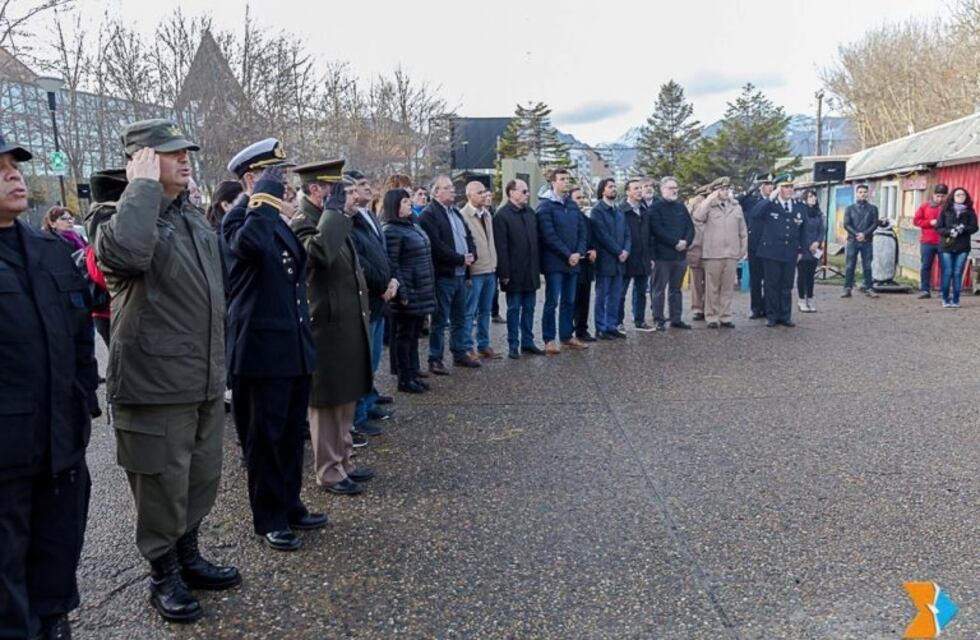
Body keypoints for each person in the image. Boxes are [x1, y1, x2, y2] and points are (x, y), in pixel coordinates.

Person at [94, 119, 238, 623]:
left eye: (185, 151)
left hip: (201, 378)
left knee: (199, 477)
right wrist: (141, 188)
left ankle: (188, 556)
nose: (184, 158)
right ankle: (163, 574)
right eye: (170, 152)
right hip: (154, 386)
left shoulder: (190, 217)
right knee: (160, 485)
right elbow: (129, 253)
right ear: (141, 160)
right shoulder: (114, 215)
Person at [0, 135, 98, 640]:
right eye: (0, 169)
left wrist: (83, 401)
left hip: (59, 437)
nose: (13, 175)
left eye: (14, 166)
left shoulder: (49, 249)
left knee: (58, 541)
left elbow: (81, 337)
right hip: (7, 448)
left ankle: (55, 618)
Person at [220, 140, 325, 553]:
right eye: (274, 176)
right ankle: (270, 517)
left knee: (289, 435)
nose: (284, 184)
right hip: (260, 353)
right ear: (251, 179)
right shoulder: (239, 218)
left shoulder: (275, 219)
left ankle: (290, 503)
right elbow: (249, 246)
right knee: (264, 440)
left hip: (290, 347)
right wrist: (260, 197)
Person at [290, 160, 376, 496]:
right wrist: (334, 213)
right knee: (326, 402)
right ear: (315, 189)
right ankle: (329, 471)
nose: (344, 196)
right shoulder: (303, 222)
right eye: (335, 189)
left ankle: (344, 461)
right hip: (324, 327)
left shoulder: (332, 218)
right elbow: (319, 254)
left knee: (346, 394)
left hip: (344, 323)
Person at [347, 170, 397, 439]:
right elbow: (359, 263)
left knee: (374, 358)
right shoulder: (349, 222)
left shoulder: (369, 216)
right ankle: (358, 414)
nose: (367, 188)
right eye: (360, 185)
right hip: (368, 297)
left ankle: (368, 402)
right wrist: (382, 286)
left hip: (380, 298)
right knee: (362, 361)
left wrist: (393, 280)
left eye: (367, 183)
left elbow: (382, 254)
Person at [419, 175, 480, 373]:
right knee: (440, 320)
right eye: (447, 187)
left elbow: (468, 236)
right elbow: (436, 246)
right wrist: (459, 258)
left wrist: (472, 254)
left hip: (461, 274)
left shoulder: (455, 212)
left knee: (460, 317)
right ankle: (435, 358)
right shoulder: (429, 214)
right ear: (436, 192)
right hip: (444, 275)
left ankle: (459, 352)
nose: (453, 190)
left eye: (452, 187)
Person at [382, 188, 436, 391]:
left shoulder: (411, 225)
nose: (410, 204)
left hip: (420, 288)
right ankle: (404, 378)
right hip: (409, 291)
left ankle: (413, 373)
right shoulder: (391, 230)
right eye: (405, 202)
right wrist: (402, 293)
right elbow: (393, 264)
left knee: (413, 336)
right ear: (395, 205)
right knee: (403, 336)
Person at [537, 168, 588, 353]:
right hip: (555, 262)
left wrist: (579, 252)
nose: (566, 182)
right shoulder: (545, 206)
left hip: (574, 261)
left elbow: (582, 230)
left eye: (567, 179)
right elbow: (549, 235)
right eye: (562, 179)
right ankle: (549, 339)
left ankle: (567, 336)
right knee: (552, 301)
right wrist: (568, 254)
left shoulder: (572, 205)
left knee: (569, 300)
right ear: (553, 182)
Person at [493, 179, 544, 359]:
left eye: (527, 191)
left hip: (530, 270)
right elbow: (501, 247)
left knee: (529, 308)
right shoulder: (502, 216)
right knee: (514, 309)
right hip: (513, 272)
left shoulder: (530, 213)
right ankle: (513, 344)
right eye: (523, 191)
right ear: (511, 192)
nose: (527, 194)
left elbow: (537, 241)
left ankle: (528, 342)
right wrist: (504, 273)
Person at [694, 177, 747, 328]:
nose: (725, 192)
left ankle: (725, 316)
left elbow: (742, 231)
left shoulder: (736, 207)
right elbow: (697, 217)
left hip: (731, 253)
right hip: (713, 253)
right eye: (721, 189)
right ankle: (711, 316)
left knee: (727, 287)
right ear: (714, 191)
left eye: (727, 189)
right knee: (712, 287)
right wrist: (709, 200)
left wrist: (742, 249)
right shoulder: (708, 206)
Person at [755, 176, 807, 327]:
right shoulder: (770, 205)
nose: (789, 190)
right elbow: (755, 214)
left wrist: (801, 250)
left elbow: (803, 230)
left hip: (790, 251)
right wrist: (769, 199)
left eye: (791, 187)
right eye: (785, 186)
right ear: (778, 189)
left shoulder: (798, 206)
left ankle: (785, 315)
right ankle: (772, 315)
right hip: (771, 251)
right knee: (771, 285)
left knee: (786, 285)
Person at [647, 177, 695, 331]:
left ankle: (676, 318)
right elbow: (657, 230)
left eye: (676, 188)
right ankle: (658, 319)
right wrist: (675, 242)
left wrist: (686, 242)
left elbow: (690, 227)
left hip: (680, 256)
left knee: (676, 289)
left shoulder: (681, 207)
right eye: (671, 188)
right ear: (662, 189)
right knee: (659, 290)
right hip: (662, 256)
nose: (674, 191)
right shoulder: (655, 208)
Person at [460, 181, 501, 359]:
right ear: (469, 195)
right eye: (479, 192)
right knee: (470, 311)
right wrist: (468, 271)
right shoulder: (463, 215)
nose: (484, 195)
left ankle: (484, 344)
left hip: (490, 269)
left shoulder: (487, 214)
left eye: (484, 191)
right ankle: (467, 346)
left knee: (486, 310)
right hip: (475, 271)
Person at [590, 178, 630, 339]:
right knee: (602, 295)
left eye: (614, 186)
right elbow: (602, 235)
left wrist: (626, 250)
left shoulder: (618, 210)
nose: (614, 189)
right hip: (605, 259)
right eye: (610, 187)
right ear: (602, 190)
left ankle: (611, 325)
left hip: (620, 261)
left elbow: (627, 232)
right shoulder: (597, 211)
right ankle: (601, 327)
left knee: (615, 295)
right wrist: (618, 251)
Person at [618, 179, 652, 331]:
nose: (639, 191)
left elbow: (650, 235)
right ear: (628, 192)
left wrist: (651, 256)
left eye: (640, 188)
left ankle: (640, 320)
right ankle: (618, 322)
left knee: (641, 292)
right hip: (626, 257)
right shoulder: (621, 210)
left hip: (643, 257)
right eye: (636, 188)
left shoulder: (645, 210)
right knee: (621, 292)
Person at [935, 187, 978, 308]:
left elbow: (974, 227)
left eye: (962, 195)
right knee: (947, 272)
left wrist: (963, 229)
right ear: (953, 197)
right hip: (947, 246)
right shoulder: (946, 210)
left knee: (957, 273)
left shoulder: (970, 211)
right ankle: (945, 299)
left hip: (962, 246)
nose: (960, 197)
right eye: (958, 195)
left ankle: (956, 300)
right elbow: (938, 227)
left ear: (966, 197)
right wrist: (949, 232)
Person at [740, 175, 773, 318]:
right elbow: (740, 201)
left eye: (771, 184)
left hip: (771, 246)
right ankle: (756, 308)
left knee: (770, 279)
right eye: (766, 184)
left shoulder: (775, 201)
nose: (770, 187)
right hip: (755, 245)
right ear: (761, 186)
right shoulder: (752, 201)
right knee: (756, 279)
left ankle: (767, 307)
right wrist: (752, 189)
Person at [841, 184, 880, 298]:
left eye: (865, 192)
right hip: (852, 240)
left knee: (867, 266)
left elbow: (874, 224)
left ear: (868, 194)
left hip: (867, 241)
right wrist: (857, 234)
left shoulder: (873, 208)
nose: (863, 194)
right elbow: (846, 224)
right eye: (860, 192)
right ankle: (847, 288)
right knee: (850, 265)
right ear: (857, 194)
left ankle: (869, 288)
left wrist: (865, 234)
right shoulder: (849, 208)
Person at [571, 186, 598, 342]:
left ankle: (582, 330)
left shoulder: (587, 220)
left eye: (582, 197)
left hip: (587, 265)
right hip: (574, 263)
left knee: (584, 299)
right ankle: (569, 331)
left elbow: (592, 238)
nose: (581, 200)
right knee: (572, 300)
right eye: (577, 198)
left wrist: (593, 249)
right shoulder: (568, 218)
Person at [912, 183, 948, 298]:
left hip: (944, 242)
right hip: (927, 242)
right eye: (938, 196)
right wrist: (929, 222)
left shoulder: (949, 207)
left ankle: (943, 291)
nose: (940, 198)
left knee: (945, 267)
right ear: (933, 195)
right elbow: (916, 221)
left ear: (946, 196)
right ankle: (925, 290)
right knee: (926, 266)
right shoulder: (925, 206)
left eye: (942, 196)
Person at [796, 189, 824, 313]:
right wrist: (807, 245)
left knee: (810, 276)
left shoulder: (818, 213)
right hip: (803, 249)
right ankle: (801, 299)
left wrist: (818, 242)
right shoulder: (801, 213)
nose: (813, 198)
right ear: (805, 198)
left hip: (815, 249)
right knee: (802, 275)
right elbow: (799, 231)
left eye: (814, 196)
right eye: (810, 196)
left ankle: (810, 298)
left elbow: (822, 230)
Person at [685, 185, 710, 321]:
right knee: (696, 281)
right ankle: (697, 308)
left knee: (709, 281)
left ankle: (707, 307)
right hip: (696, 248)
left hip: (710, 249)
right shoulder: (691, 209)